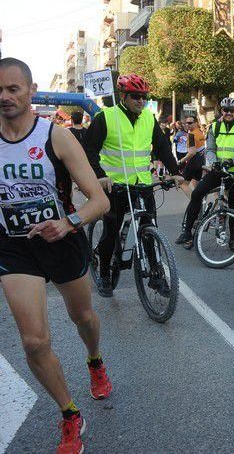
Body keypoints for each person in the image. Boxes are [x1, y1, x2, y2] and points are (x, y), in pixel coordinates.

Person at [0, 58, 113, 454]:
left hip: (62, 241)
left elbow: (98, 201)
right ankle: (69, 413)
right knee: (33, 341)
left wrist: (68, 222)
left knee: (83, 317)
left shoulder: (57, 137)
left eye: (13, 88)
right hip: (14, 247)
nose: (5, 96)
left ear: (31, 91)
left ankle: (95, 360)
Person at [83, 74, 184, 297]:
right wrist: (100, 175)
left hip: (142, 184)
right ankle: (105, 273)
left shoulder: (149, 118)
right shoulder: (105, 117)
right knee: (111, 230)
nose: (141, 101)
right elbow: (88, 150)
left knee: (150, 229)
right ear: (123, 96)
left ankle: (156, 274)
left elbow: (162, 147)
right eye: (136, 97)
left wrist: (176, 173)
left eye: (144, 97)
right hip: (114, 186)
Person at [174, 97, 234, 249]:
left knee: (233, 207)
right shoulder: (214, 127)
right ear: (221, 111)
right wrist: (213, 161)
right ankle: (187, 231)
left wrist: (231, 161)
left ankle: (233, 240)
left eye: (232, 111)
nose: (229, 113)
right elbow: (210, 149)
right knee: (197, 194)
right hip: (217, 171)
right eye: (226, 110)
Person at [177, 115, 206, 196]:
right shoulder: (200, 132)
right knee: (195, 185)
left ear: (196, 123)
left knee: (183, 184)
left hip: (193, 162)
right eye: (186, 123)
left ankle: (195, 203)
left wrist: (179, 161)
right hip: (201, 161)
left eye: (190, 123)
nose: (187, 125)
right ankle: (199, 204)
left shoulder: (191, 135)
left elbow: (192, 153)